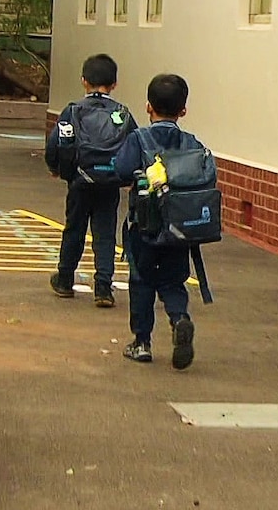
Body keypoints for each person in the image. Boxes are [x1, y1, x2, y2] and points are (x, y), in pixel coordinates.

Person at [114, 74, 201, 369]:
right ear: (183, 111)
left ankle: (142, 342)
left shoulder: (139, 139)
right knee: (174, 281)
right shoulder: (191, 142)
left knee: (142, 281)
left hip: (145, 226)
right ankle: (179, 319)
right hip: (180, 228)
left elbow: (121, 169)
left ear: (148, 107)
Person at [45, 54, 137, 307]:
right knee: (105, 233)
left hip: (79, 180)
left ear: (84, 81)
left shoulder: (73, 110)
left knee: (74, 228)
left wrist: (56, 167)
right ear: (114, 84)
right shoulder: (122, 113)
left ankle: (65, 279)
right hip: (110, 181)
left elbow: (56, 142)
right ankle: (103, 287)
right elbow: (135, 144)